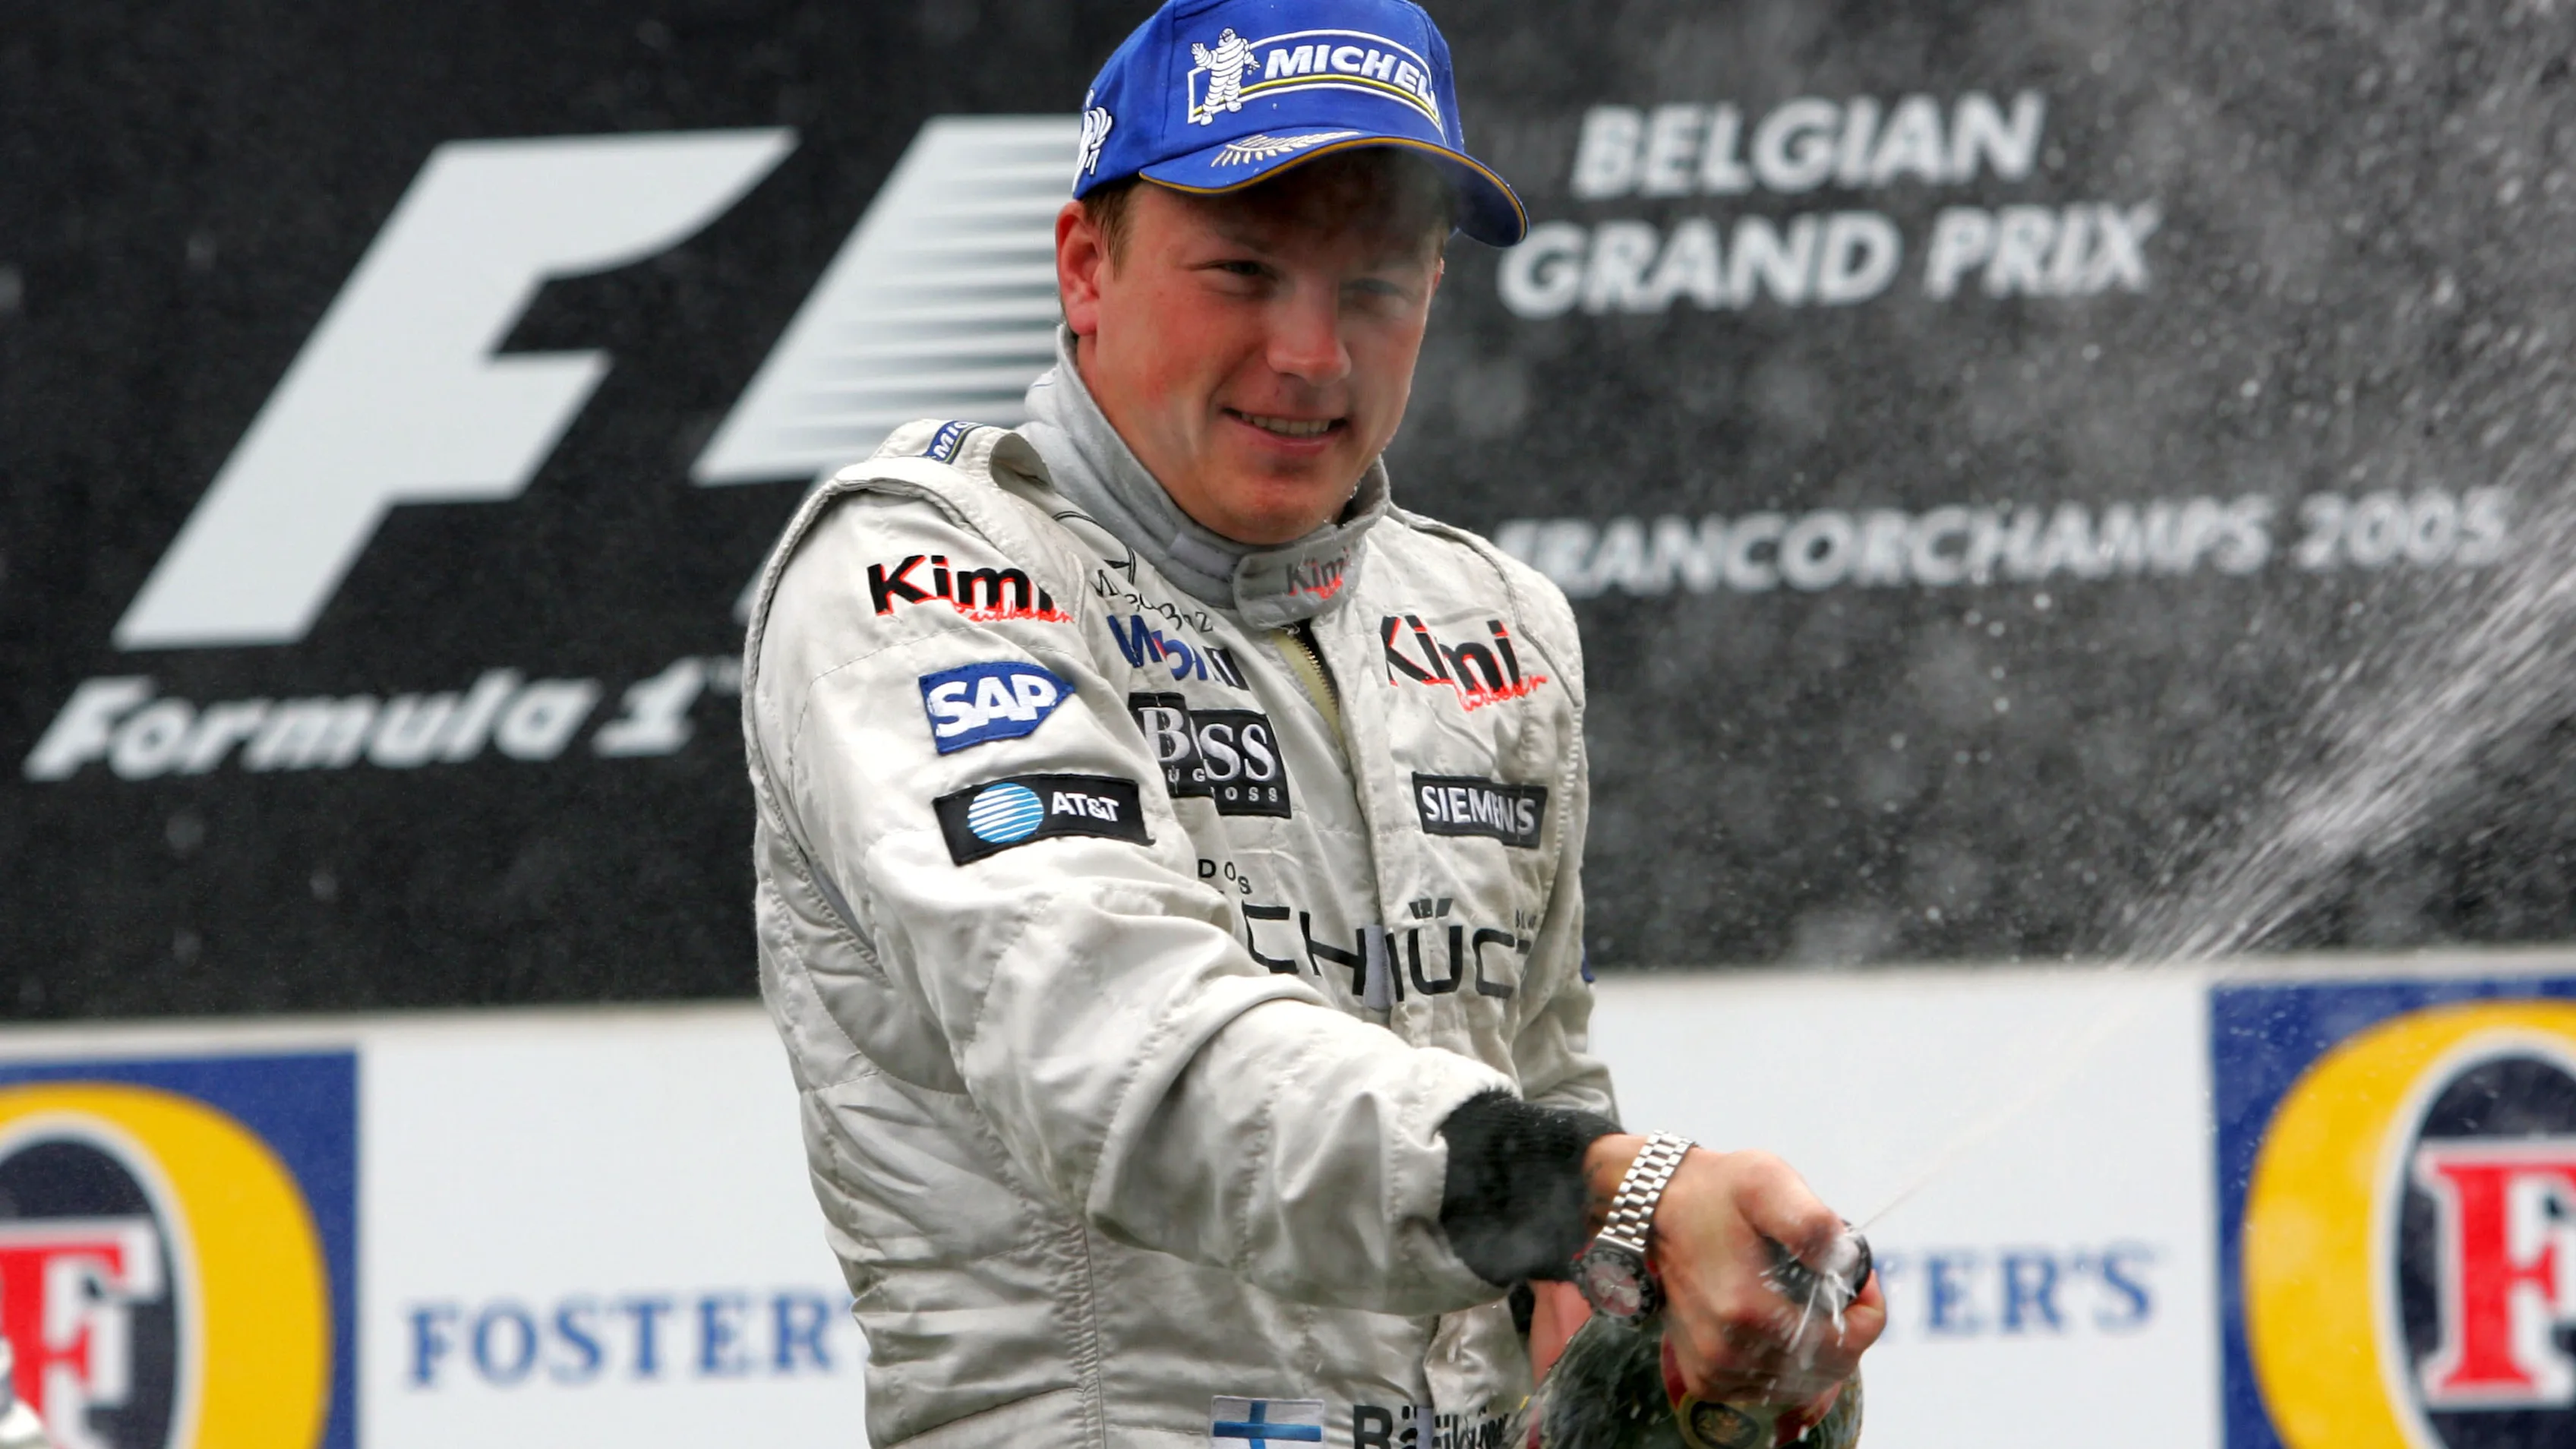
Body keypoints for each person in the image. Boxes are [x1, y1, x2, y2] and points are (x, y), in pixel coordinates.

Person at [740, 1, 1883, 1444]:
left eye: (1376, 285)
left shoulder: (1495, 622)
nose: (1311, 354)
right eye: (1243, 270)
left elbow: (1541, 1123)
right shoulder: (923, 571)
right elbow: (1127, 1060)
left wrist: (1687, 1345)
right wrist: (1622, 1196)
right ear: (1086, 267)